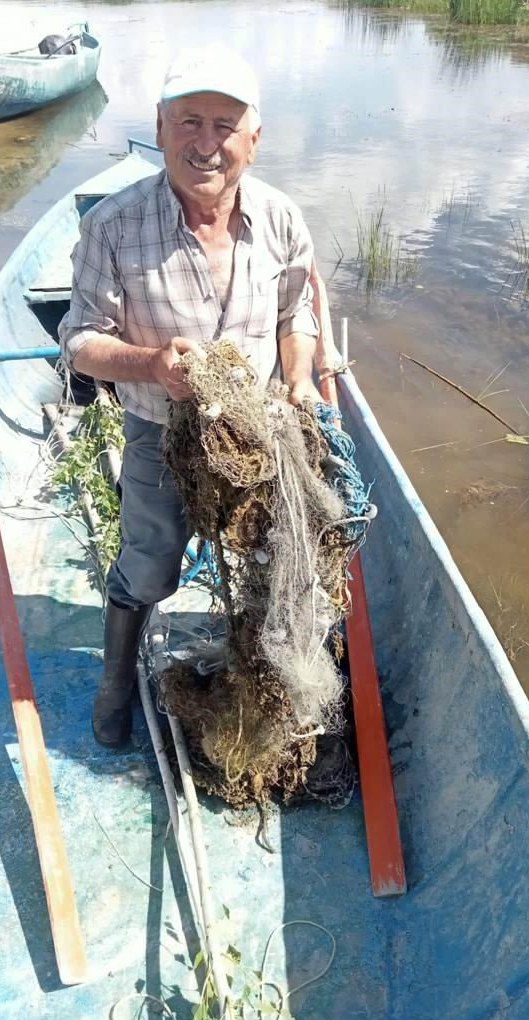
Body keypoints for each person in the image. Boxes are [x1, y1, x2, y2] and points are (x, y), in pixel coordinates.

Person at [59, 46, 323, 748]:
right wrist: (149, 363)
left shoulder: (281, 219)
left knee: (278, 570)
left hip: (263, 438)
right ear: (162, 126)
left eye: (224, 127)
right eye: (190, 123)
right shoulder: (113, 225)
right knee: (150, 566)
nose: (206, 145)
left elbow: (298, 317)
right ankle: (116, 681)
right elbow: (80, 341)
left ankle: (260, 685)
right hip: (158, 434)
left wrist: (299, 379)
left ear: (253, 141)